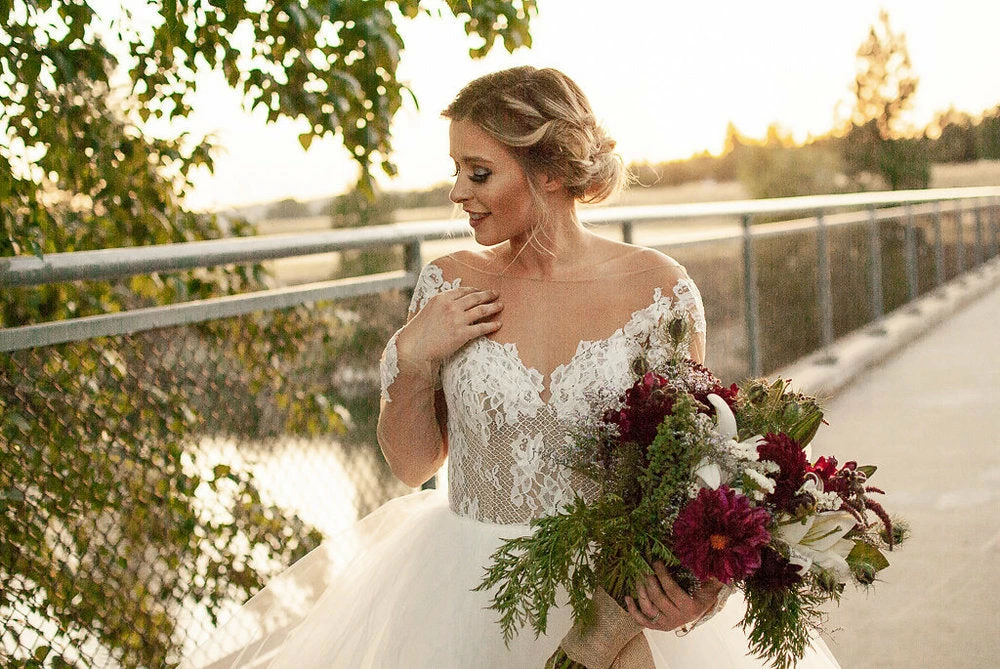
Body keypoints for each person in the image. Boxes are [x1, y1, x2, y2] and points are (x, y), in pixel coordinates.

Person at [186, 66, 841, 668]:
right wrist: (414, 360)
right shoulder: (447, 284)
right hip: (469, 590)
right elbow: (412, 464)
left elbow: (697, 467)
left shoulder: (659, 290)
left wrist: (696, 596)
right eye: (456, 171)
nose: (457, 193)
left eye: (478, 173)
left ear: (550, 171)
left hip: (613, 600)